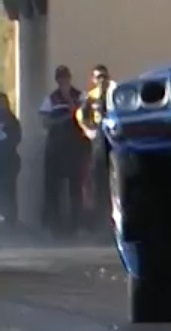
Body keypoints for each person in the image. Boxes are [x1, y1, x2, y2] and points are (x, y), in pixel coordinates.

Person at [40, 65, 88, 236]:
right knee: (53, 188)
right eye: (60, 78)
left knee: (76, 189)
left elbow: (84, 115)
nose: (63, 81)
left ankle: (78, 226)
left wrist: (69, 100)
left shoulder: (79, 95)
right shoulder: (50, 99)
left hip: (75, 147)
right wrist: (59, 120)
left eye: (65, 77)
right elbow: (45, 122)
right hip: (56, 148)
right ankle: (55, 227)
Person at [76, 64, 116, 232]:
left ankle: (113, 219)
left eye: (104, 77)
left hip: (113, 137)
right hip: (98, 138)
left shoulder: (114, 94)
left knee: (113, 178)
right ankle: (99, 221)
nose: (102, 80)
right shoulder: (90, 97)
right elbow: (80, 115)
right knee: (98, 179)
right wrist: (88, 131)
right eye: (98, 77)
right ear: (93, 79)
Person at [0, 93, 21, 227]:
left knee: (8, 189)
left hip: (9, 160)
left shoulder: (12, 120)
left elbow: (17, 137)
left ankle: (10, 219)